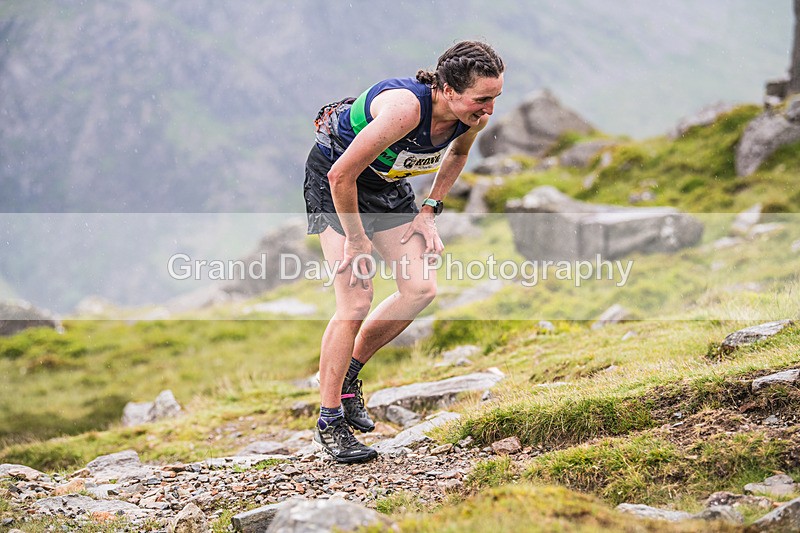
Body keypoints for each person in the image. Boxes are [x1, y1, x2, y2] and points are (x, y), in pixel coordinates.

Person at [304, 40, 504, 463]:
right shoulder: (404, 111)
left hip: (387, 185)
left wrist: (430, 209)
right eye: (481, 100)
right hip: (337, 182)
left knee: (419, 288)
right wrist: (357, 239)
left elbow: (459, 154)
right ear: (448, 89)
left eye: (495, 99)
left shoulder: (472, 118)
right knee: (355, 301)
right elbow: (342, 175)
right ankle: (329, 419)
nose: (488, 111)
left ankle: (348, 376)